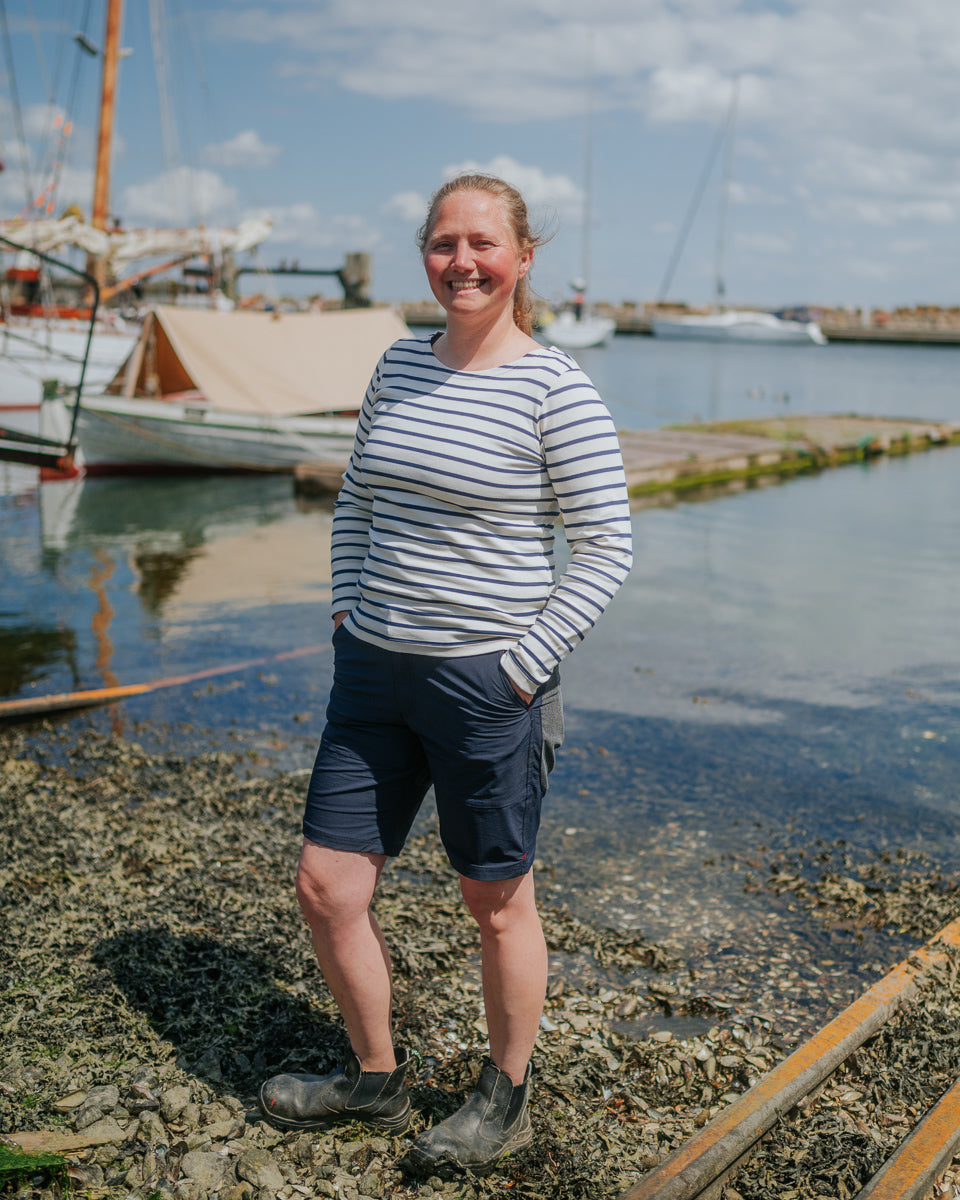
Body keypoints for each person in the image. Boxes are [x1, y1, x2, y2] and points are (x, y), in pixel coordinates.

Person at [258, 173, 632, 1177]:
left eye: (482, 243)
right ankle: (374, 1082)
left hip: (487, 683)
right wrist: (345, 608)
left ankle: (500, 1093)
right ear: (424, 254)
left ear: (522, 256)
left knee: (496, 901)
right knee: (327, 886)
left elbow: (604, 548)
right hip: (371, 671)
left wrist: (521, 667)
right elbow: (358, 503)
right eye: (441, 243)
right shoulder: (396, 365)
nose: (461, 261)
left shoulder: (557, 387)